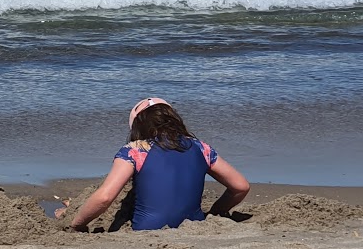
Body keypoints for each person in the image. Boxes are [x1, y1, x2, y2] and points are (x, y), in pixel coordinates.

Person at [54, 97, 250, 232]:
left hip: (147, 229)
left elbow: (105, 198)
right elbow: (240, 186)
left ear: (138, 127)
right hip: (193, 226)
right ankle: (74, 205)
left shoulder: (135, 150)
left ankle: (73, 210)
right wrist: (215, 213)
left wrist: (76, 224)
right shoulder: (201, 148)